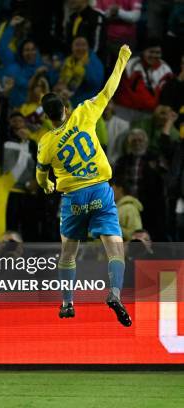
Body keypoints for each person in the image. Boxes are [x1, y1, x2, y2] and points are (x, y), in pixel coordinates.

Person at [35, 44, 133, 326]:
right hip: (101, 191)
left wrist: (47, 186)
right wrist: (122, 58)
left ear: (47, 116)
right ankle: (114, 293)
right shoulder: (83, 113)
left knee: (68, 251)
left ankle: (67, 302)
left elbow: (41, 175)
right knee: (115, 249)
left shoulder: (46, 143)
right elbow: (108, 90)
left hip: (74, 198)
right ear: (65, 109)